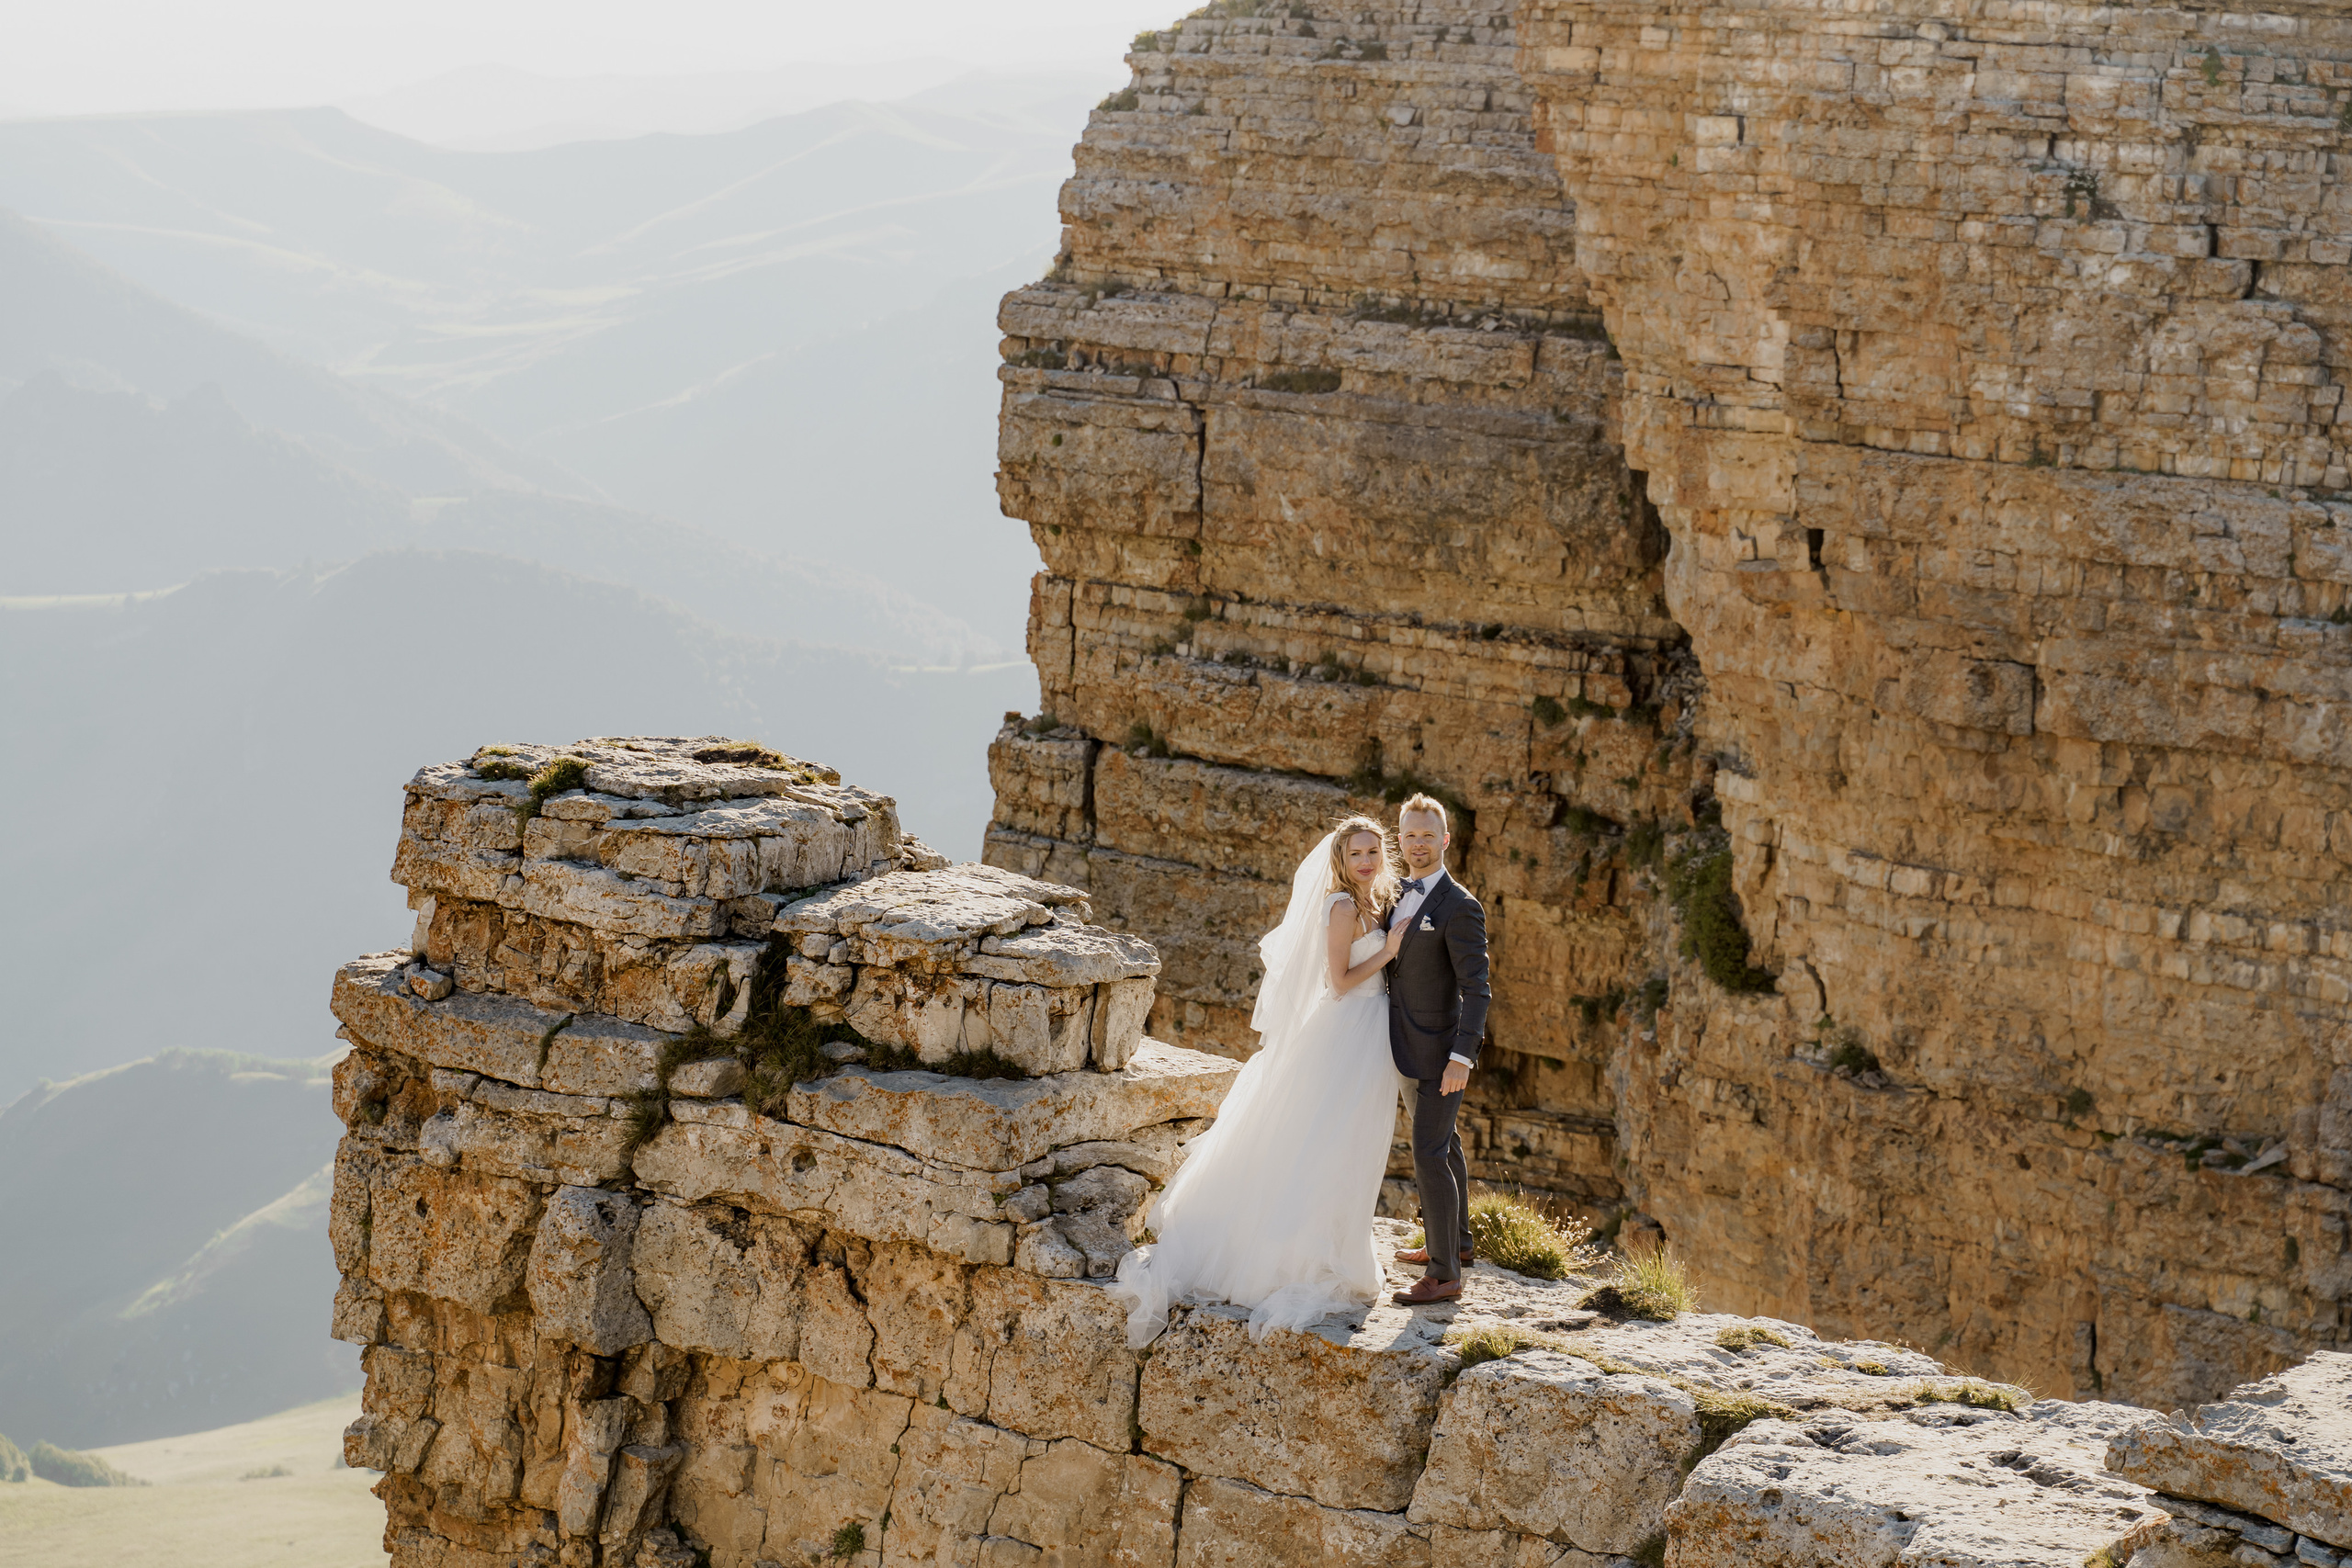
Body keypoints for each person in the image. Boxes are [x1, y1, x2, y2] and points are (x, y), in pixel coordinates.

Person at [1105, 816, 1408, 1348]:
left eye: (1373, 852)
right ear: (1341, 860)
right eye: (1357, 853)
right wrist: (1387, 952)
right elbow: (1337, 983)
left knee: (1354, 1145)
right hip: (1346, 1032)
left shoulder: (1377, 902)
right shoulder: (1341, 907)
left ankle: (1342, 1245)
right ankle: (1296, 1257)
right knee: (1326, 1142)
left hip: (1370, 1036)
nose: (1366, 861)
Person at [1385, 793, 1491, 1306]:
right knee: (1443, 1144)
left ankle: (1444, 1274)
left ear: (1445, 840)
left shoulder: (1460, 906)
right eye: (1410, 835)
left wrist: (1462, 1057)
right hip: (1404, 1044)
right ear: (1399, 838)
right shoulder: (1394, 892)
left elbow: (1479, 988)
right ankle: (1457, 1244)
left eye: (1428, 836)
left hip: (1442, 1051)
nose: (1418, 844)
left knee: (1427, 1153)